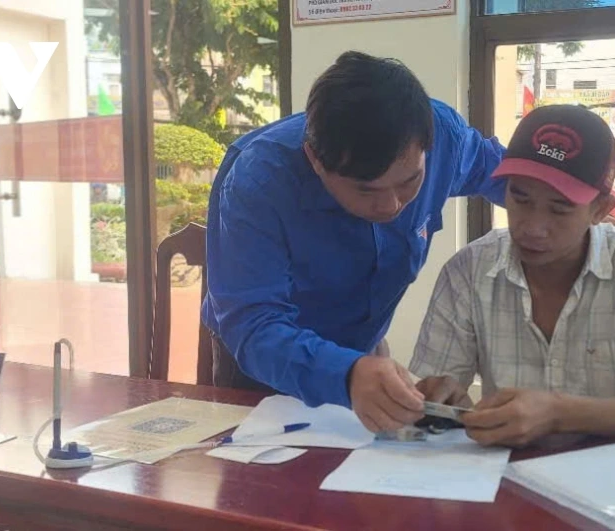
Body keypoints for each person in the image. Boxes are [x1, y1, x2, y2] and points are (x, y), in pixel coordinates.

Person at [203, 51, 508, 433]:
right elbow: (253, 324)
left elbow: (517, 180)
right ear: (315, 159)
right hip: (265, 365)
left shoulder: (443, 137)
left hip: (361, 353)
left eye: (410, 182)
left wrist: (570, 221)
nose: (391, 206)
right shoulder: (259, 179)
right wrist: (345, 373)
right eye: (366, 190)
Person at [410, 104, 615, 448]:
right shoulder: (469, 271)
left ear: (600, 210)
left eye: (559, 209)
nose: (533, 227)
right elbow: (438, 394)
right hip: (505, 473)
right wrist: (444, 403)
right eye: (520, 198)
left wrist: (560, 413)